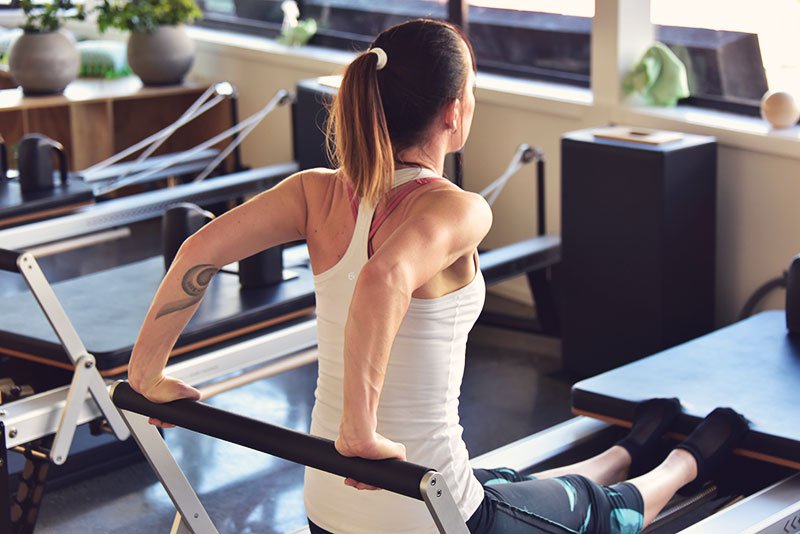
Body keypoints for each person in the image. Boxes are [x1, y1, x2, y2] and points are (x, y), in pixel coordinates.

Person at [127, 18, 749, 534]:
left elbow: (197, 252)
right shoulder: (455, 207)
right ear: (454, 111)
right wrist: (360, 436)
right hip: (433, 514)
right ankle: (685, 462)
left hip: (326, 508)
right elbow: (383, 278)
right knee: (600, 513)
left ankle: (621, 449)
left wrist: (145, 374)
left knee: (505, 481)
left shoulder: (313, 194)